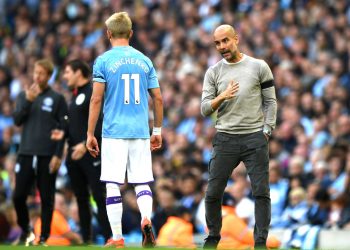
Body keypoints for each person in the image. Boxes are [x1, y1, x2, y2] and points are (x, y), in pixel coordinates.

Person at [86, 12, 163, 248]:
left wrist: (90, 134)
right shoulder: (145, 60)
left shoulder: (103, 61)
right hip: (140, 131)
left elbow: (96, 100)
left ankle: (117, 237)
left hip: (113, 132)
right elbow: (158, 98)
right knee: (141, 182)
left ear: (108, 33)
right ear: (130, 33)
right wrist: (157, 130)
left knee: (112, 184)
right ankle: (146, 218)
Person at [200, 24, 277, 249]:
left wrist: (267, 129)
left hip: (254, 137)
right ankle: (213, 237)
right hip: (225, 137)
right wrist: (222, 96)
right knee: (213, 193)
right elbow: (205, 109)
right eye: (217, 43)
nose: (222, 46)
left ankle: (260, 242)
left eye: (226, 41)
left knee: (261, 193)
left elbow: (270, 101)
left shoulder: (259, 66)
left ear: (236, 39)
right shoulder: (213, 72)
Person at [51, 59, 112, 244]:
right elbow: (70, 127)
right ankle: (87, 241)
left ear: (79, 73)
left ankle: (111, 238)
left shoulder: (93, 93)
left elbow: (103, 122)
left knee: (99, 197)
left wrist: (86, 143)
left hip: (92, 153)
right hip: (74, 156)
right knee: (81, 199)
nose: (65, 76)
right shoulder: (73, 97)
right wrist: (60, 146)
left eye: (68, 72)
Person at [12, 58, 68, 245]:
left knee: (46, 198)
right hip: (26, 152)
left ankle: (43, 237)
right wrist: (27, 101)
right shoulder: (24, 95)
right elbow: (17, 120)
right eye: (35, 73)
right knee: (18, 196)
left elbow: (63, 129)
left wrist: (58, 155)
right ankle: (26, 229)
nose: (37, 76)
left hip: (47, 154)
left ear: (49, 76)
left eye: (41, 73)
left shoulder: (57, 99)